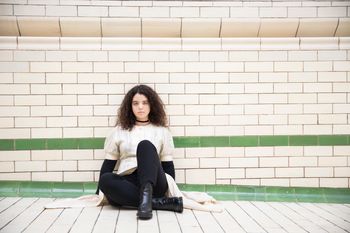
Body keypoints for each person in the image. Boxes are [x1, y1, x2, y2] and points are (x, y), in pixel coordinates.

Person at [96, 84, 183, 220]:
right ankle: (156, 203)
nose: (140, 107)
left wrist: (171, 190)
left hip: (155, 182)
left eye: (145, 103)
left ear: (151, 105)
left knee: (145, 146)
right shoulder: (119, 131)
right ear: (130, 107)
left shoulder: (162, 131)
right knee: (106, 179)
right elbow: (108, 164)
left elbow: (168, 166)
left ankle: (148, 200)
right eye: (135, 103)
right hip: (129, 182)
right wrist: (100, 191)